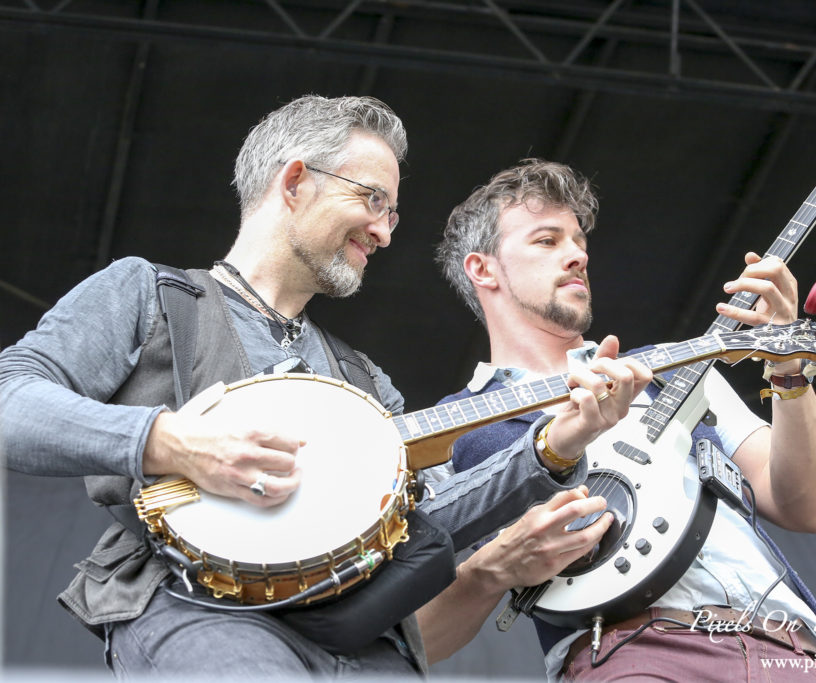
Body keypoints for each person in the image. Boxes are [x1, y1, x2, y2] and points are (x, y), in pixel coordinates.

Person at [0, 99, 651, 678]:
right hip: (201, 613)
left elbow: (426, 521)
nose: (386, 231)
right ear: (294, 181)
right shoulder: (147, 295)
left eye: (393, 213)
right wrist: (170, 442)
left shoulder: (366, 382)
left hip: (366, 640)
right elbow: (11, 400)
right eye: (373, 200)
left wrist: (556, 446)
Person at [417, 158, 816, 680]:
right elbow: (420, 638)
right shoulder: (447, 432)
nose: (576, 255)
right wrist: (490, 571)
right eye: (548, 241)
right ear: (482, 269)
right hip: (630, 655)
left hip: (791, 653)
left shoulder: (677, 362)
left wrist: (790, 368)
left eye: (579, 242)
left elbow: (808, 507)